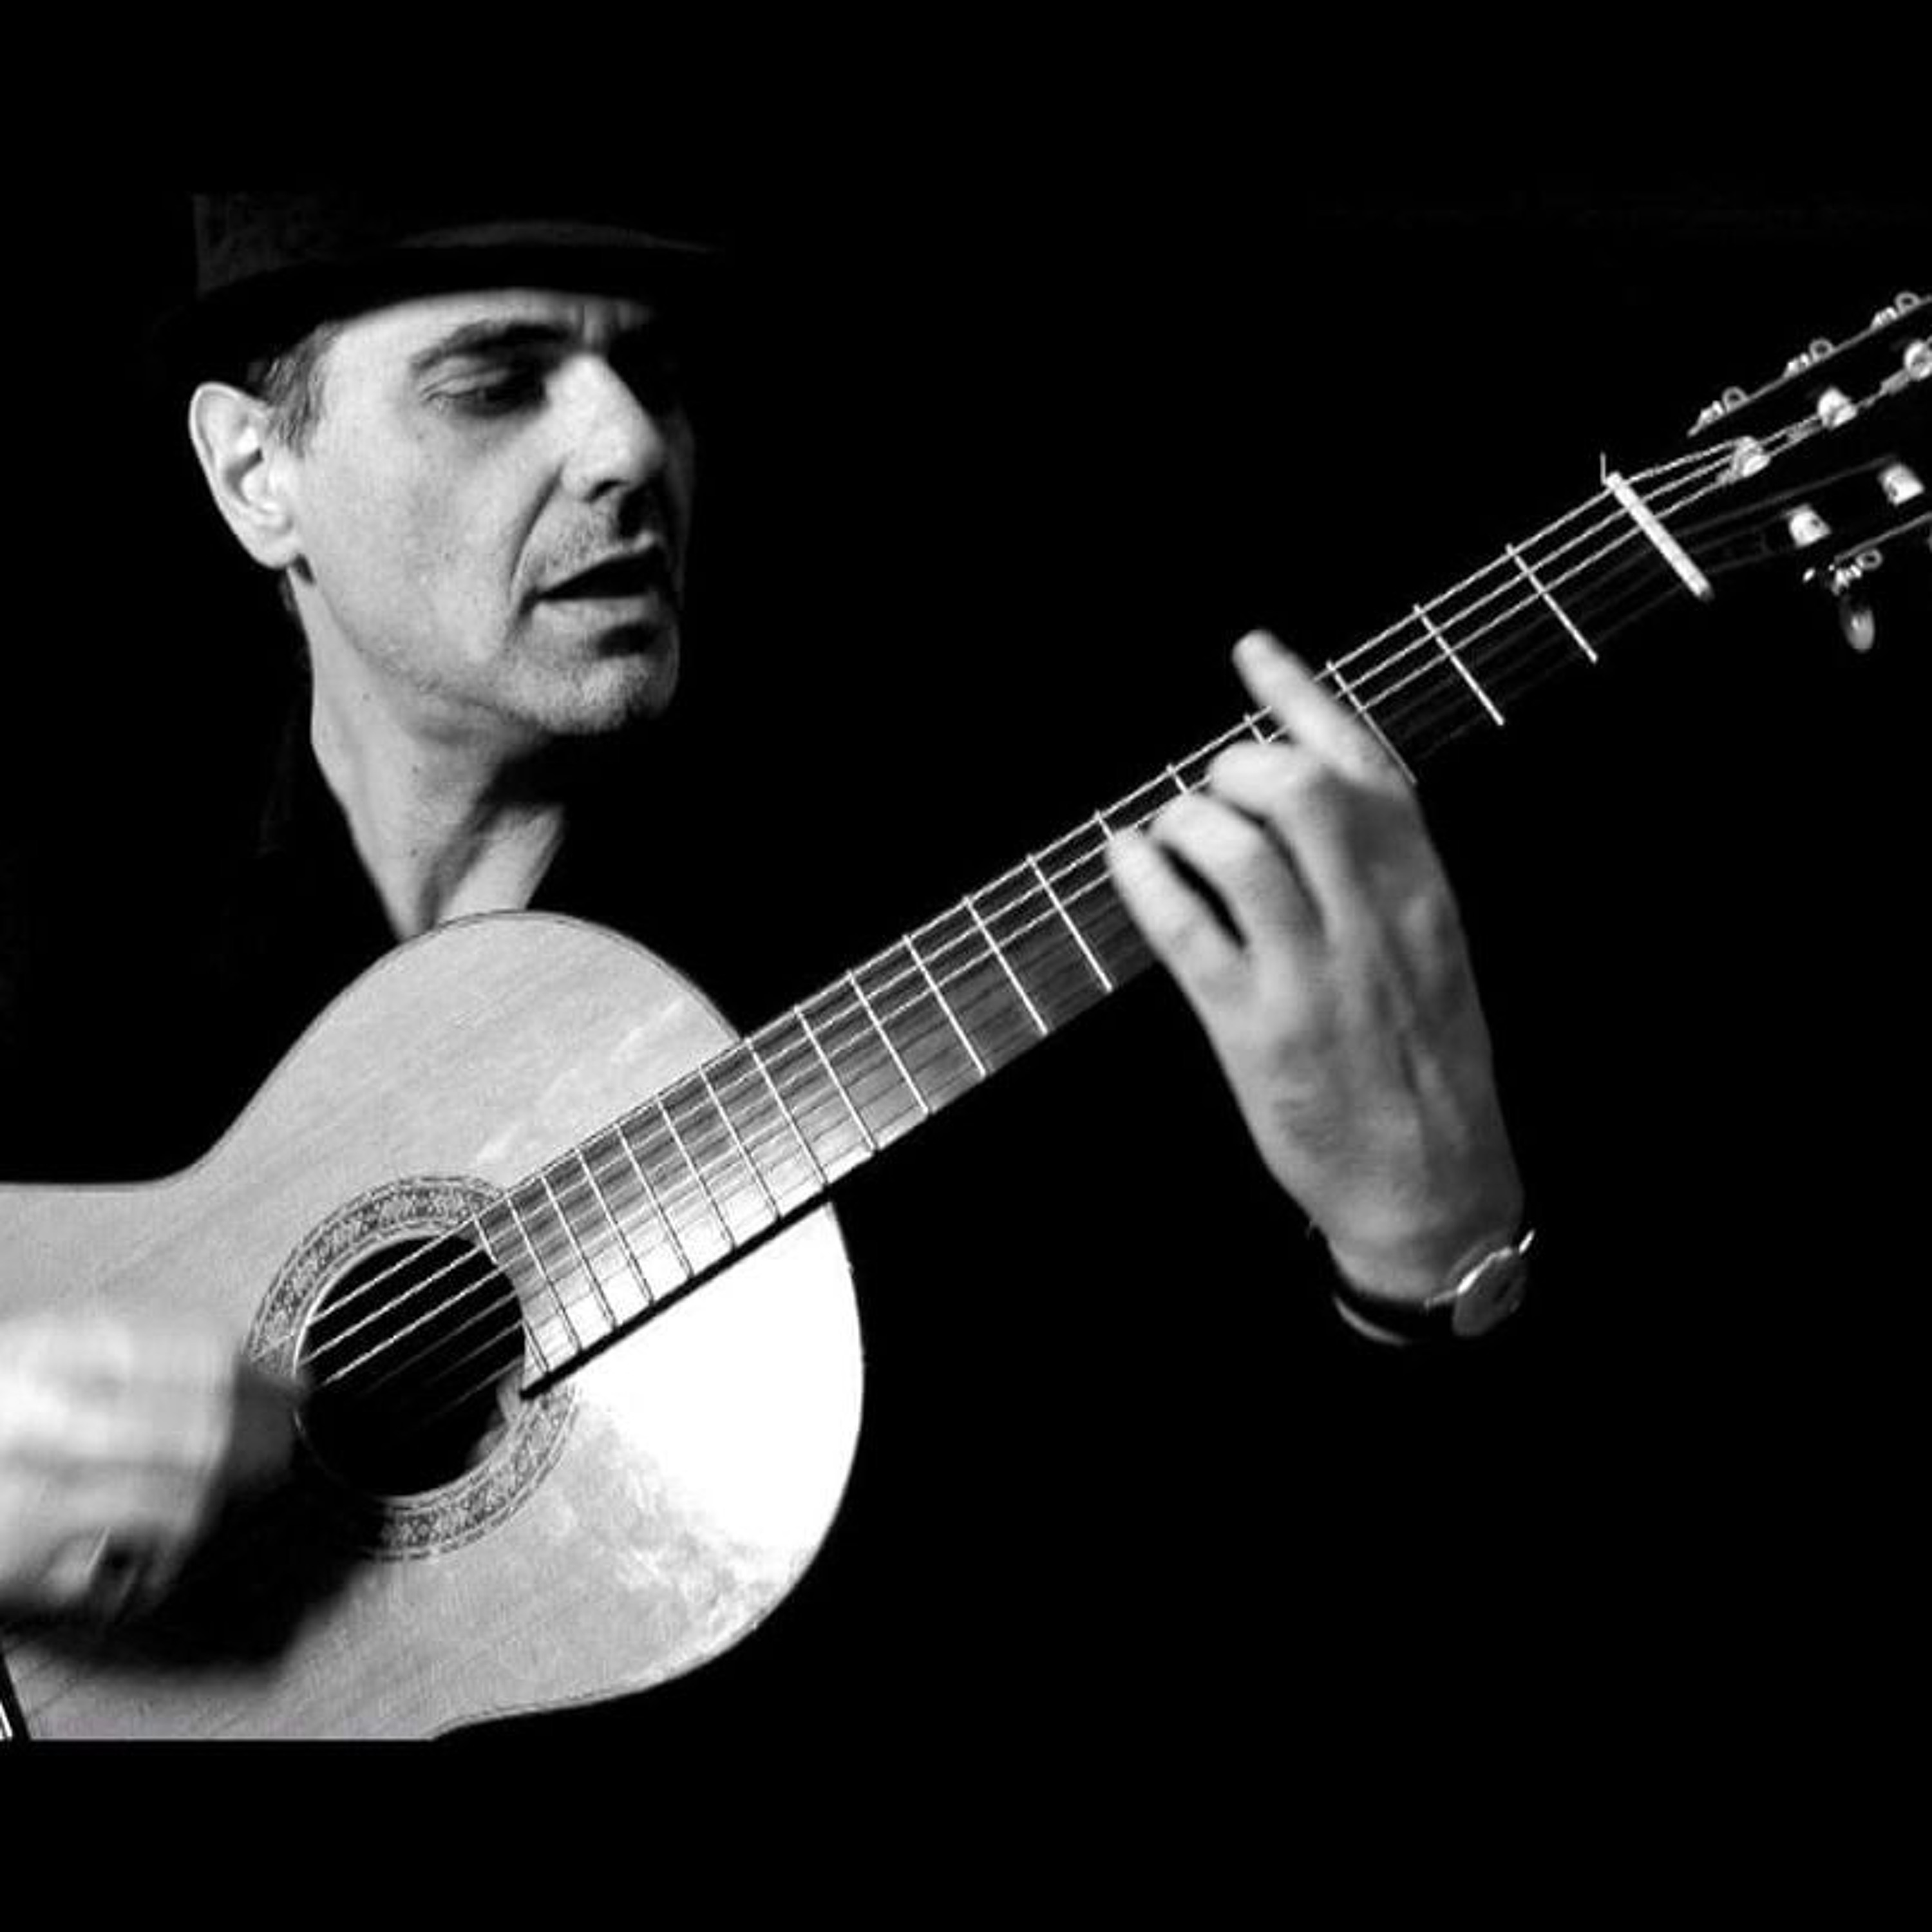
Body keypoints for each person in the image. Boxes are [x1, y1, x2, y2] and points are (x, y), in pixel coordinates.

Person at [3, 184, 1912, 1747]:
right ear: (255, 473)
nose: (629, 451)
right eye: (499, 383)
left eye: (652, 374)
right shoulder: (60, 931)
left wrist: (1435, 1249)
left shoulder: (959, 946)